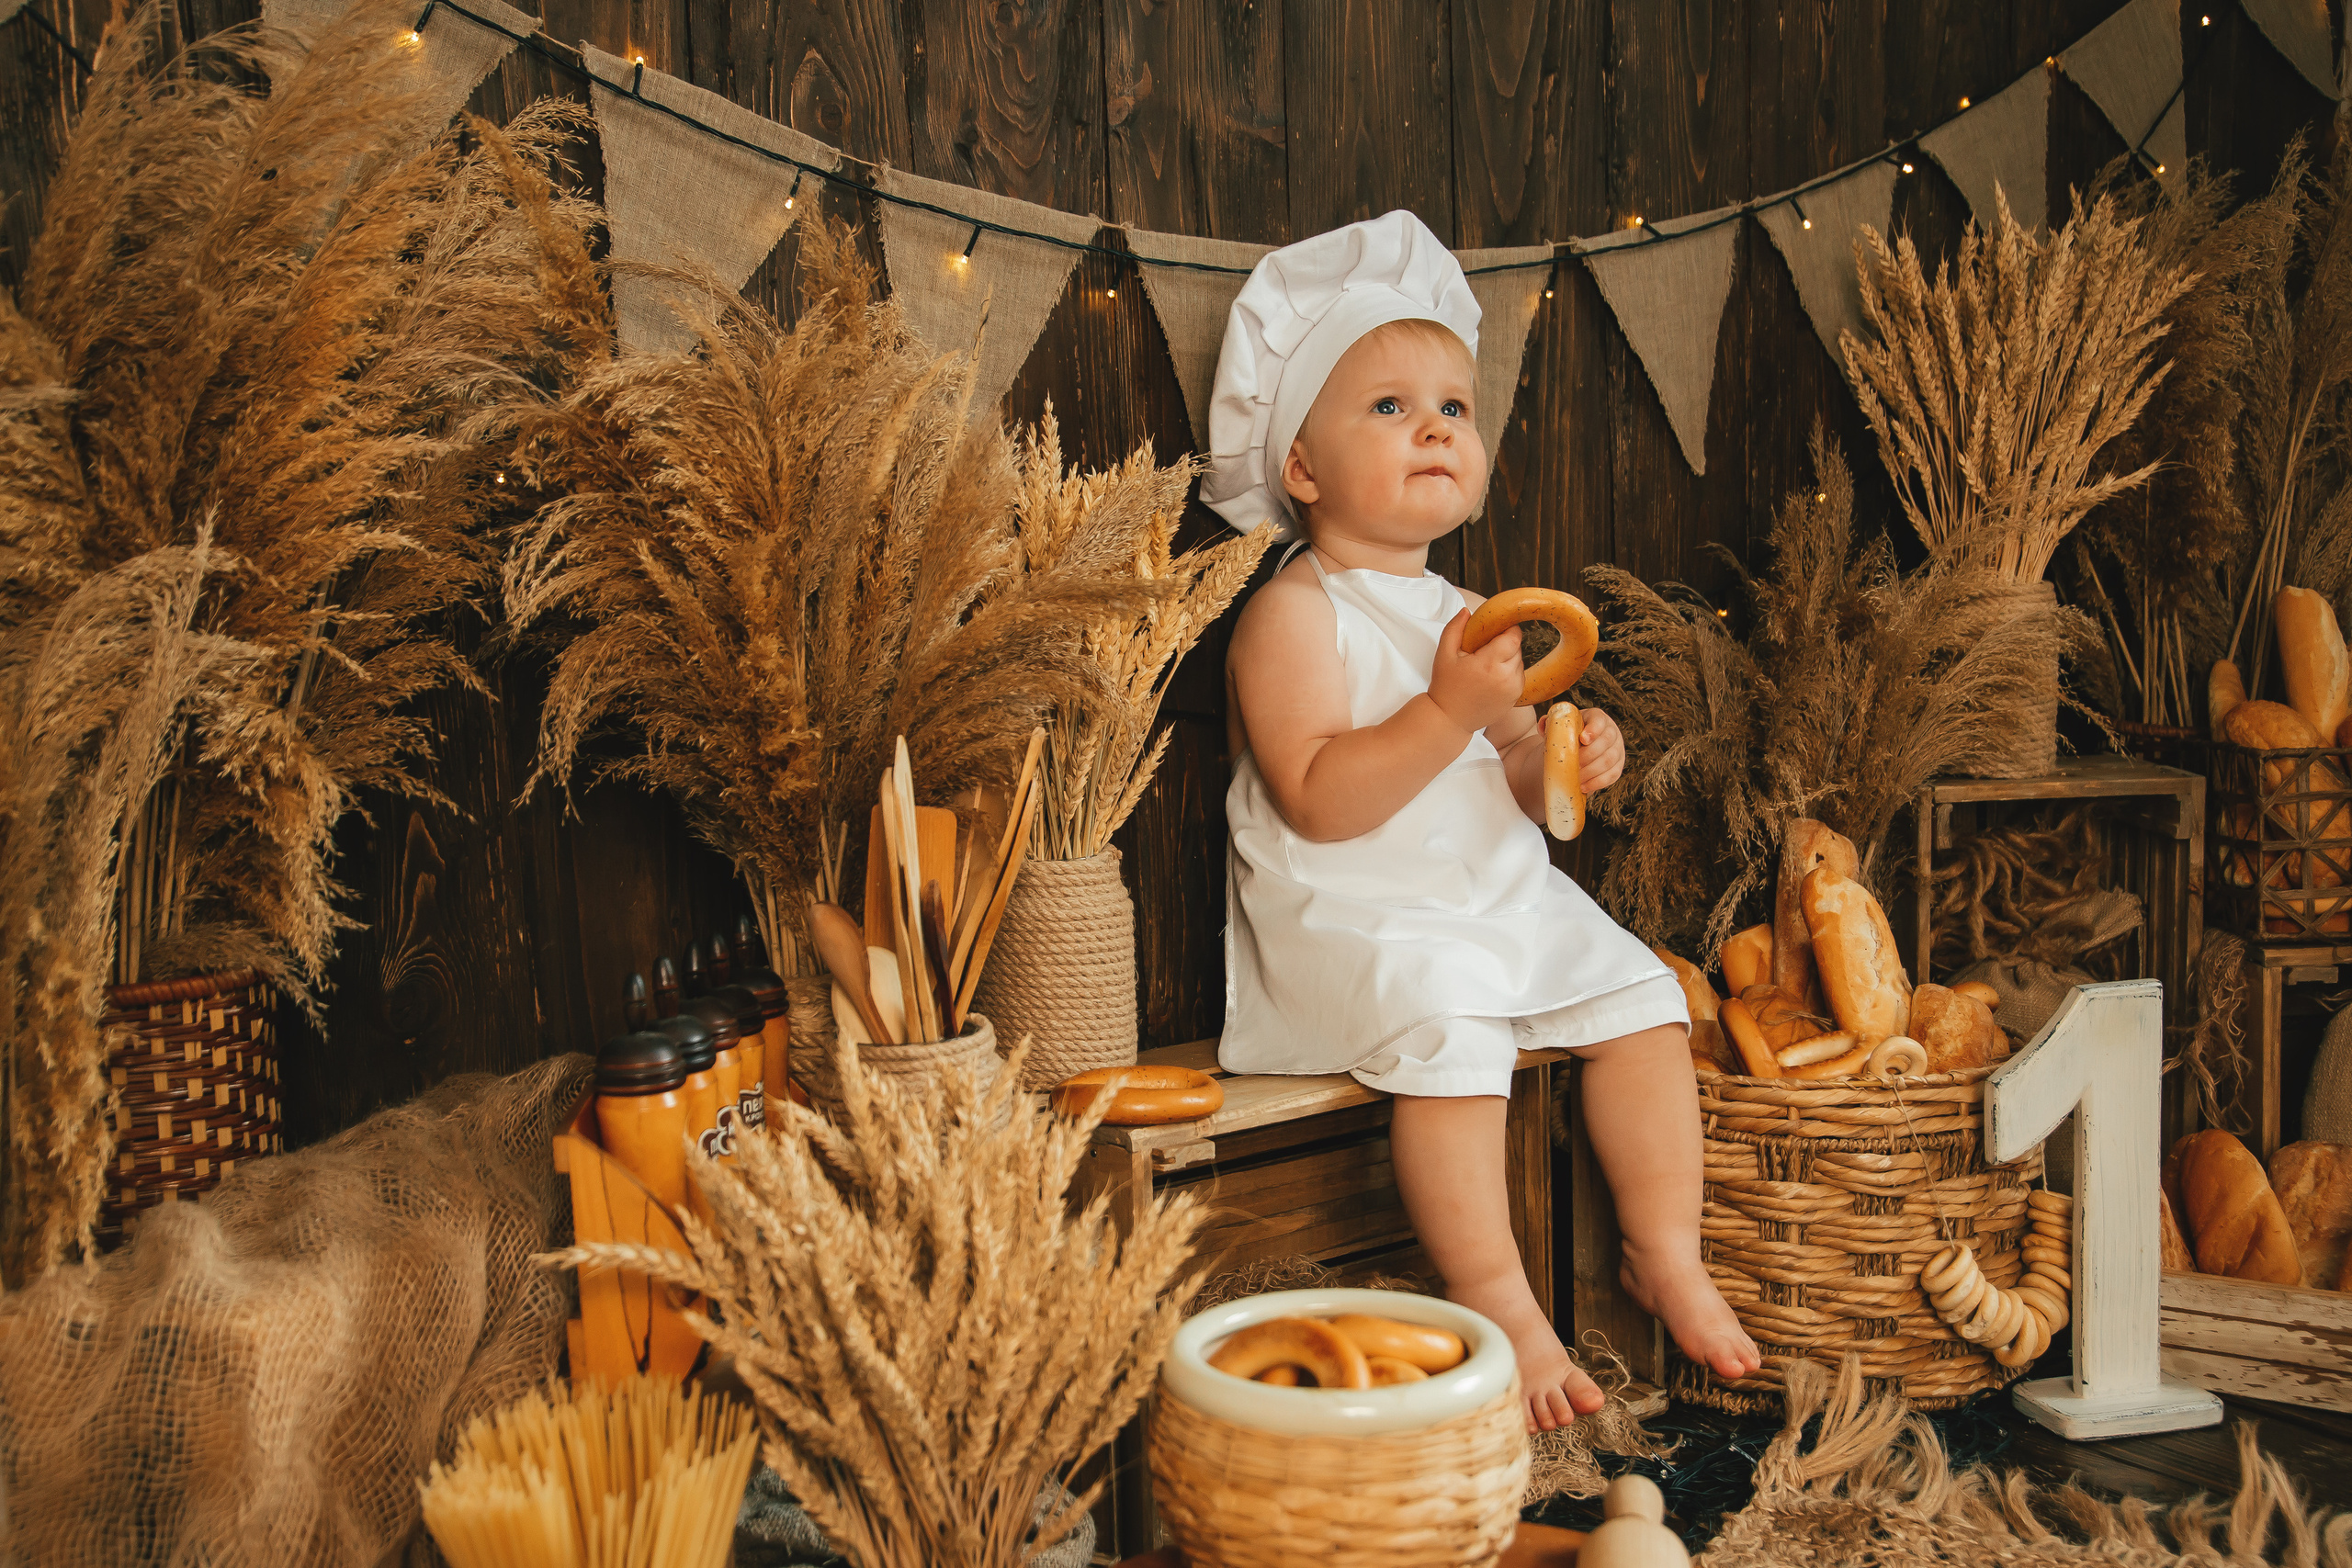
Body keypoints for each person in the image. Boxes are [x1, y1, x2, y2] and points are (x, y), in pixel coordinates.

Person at [1204, 210, 1761, 1430]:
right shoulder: (1295, 614)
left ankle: (1665, 1250)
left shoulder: (1471, 611)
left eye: (1454, 407)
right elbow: (1319, 798)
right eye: (1390, 407)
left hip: (1485, 899)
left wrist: (1572, 756)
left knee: (1644, 997)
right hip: (1354, 917)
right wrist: (1449, 709)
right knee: (1453, 1025)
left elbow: (1518, 775)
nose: (1436, 428)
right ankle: (1495, 1292)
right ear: (1303, 468)